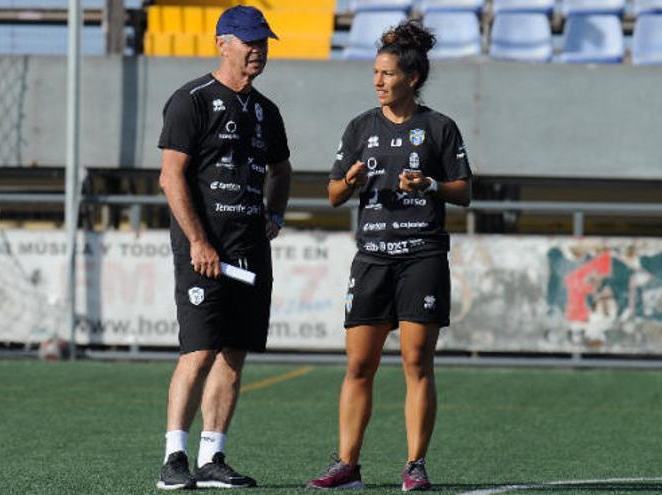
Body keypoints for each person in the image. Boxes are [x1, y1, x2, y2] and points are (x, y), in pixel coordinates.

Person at [306, 20, 472, 491]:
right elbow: (334, 193)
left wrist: (432, 185)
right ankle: (346, 464)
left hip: (422, 255)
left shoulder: (439, 128)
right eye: (375, 73)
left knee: (416, 362)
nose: (378, 81)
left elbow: (465, 190)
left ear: (412, 79)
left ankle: (415, 465)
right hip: (373, 259)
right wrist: (351, 182)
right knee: (359, 365)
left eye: (387, 74)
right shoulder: (360, 127)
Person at [155, 5, 292, 490]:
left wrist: (274, 214)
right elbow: (170, 177)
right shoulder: (190, 100)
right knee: (198, 350)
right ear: (222, 43)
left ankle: (213, 457)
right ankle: (175, 457)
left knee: (234, 353)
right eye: (250, 41)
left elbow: (281, 169)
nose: (259, 49)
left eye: (264, 41)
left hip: (250, 250)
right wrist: (197, 240)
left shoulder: (266, 111)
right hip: (202, 252)